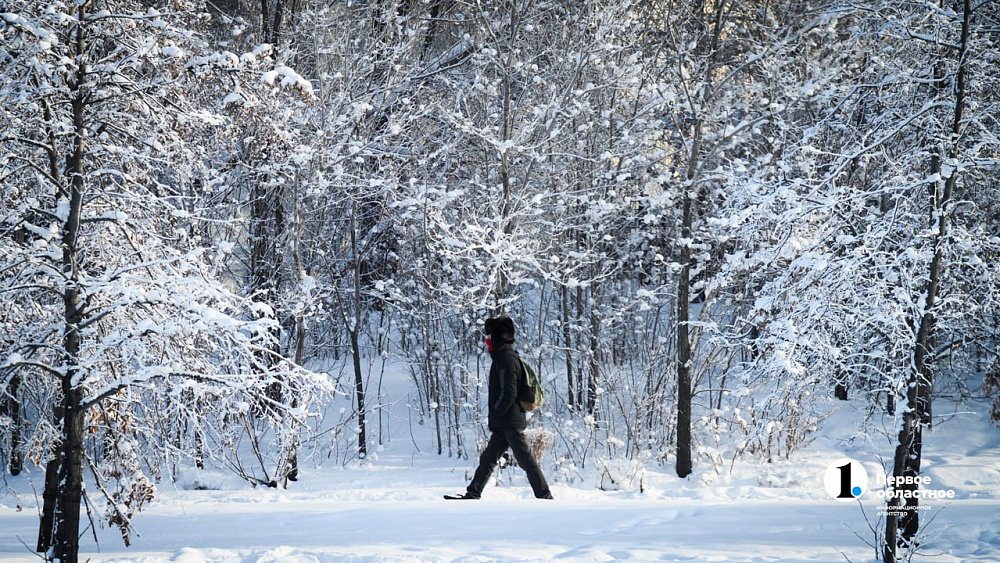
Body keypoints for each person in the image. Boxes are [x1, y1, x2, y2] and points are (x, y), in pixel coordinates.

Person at [448, 316, 553, 500]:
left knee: (526, 461)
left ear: (497, 337)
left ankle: (545, 496)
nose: (486, 339)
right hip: (505, 421)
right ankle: (473, 493)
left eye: (489, 336)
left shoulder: (506, 360)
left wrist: (496, 412)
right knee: (488, 459)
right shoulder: (505, 357)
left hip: (509, 421)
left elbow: (509, 392)